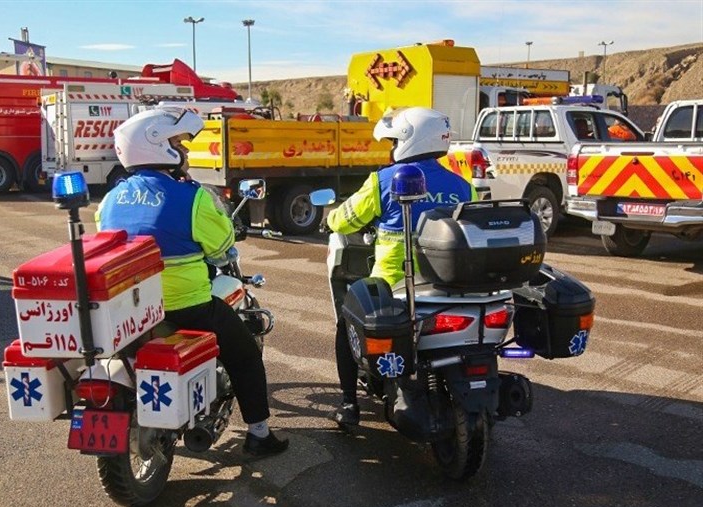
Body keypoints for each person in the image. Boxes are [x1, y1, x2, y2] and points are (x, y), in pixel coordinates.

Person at [95, 107, 289, 459]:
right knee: (245, 355)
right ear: (157, 145)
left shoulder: (110, 200)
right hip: (186, 306)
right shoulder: (191, 197)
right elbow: (221, 244)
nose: (184, 150)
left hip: (129, 311)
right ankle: (259, 434)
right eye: (177, 143)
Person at [326, 107, 478, 426]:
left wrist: (331, 216)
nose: (393, 147)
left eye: (394, 141)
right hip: (450, 287)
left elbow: (342, 221)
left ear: (410, 140)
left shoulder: (384, 180)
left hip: (394, 286)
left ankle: (349, 403)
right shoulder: (463, 186)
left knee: (346, 324)